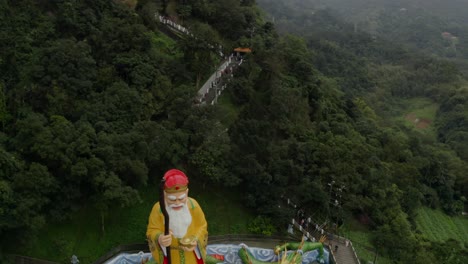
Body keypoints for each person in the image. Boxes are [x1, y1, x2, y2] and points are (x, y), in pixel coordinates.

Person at [146, 169, 208, 264]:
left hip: (191, 254)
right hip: (170, 254)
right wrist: (160, 238)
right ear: (164, 195)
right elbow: (152, 230)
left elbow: (202, 226)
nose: (177, 203)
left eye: (181, 198)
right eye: (172, 200)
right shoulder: (158, 209)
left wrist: (195, 239)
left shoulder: (193, 205)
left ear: (187, 193)